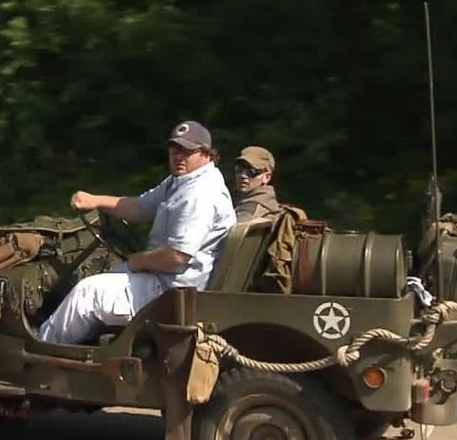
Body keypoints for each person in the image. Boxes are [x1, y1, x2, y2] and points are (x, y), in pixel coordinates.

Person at [37, 120, 237, 345]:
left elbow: (177, 255)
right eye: (175, 149)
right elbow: (140, 207)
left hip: (174, 292)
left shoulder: (200, 194)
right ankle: (82, 353)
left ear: (206, 154)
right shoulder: (183, 181)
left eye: (187, 150)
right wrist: (95, 200)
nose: (179, 155)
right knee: (103, 278)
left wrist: (138, 261)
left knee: (88, 292)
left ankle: (38, 352)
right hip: (168, 281)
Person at [232, 145, 280, 221]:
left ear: (267, 177)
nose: (243, 175)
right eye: (239, 169)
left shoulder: (248, 211)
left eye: (251, 172)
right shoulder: (269, 204)